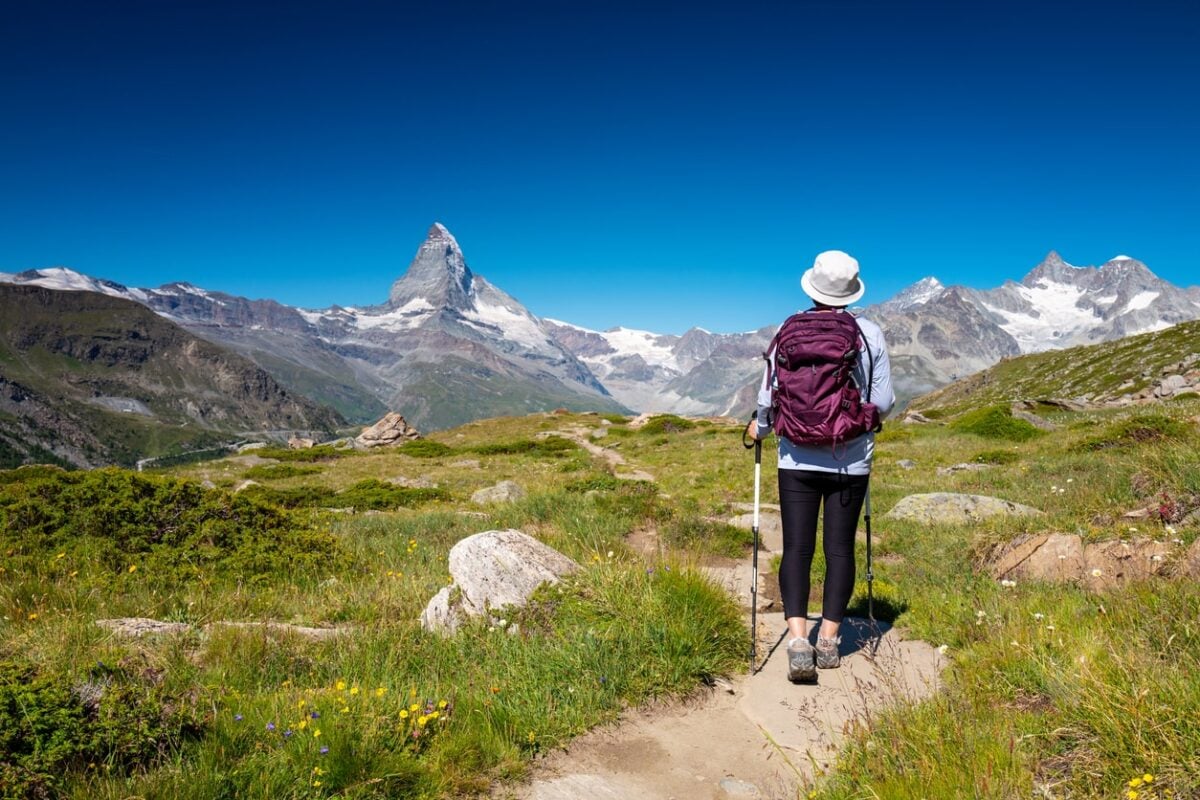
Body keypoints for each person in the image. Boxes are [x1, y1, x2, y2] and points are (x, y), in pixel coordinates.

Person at [745, 250, 895, 682]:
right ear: (852, 289)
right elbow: (883, 401)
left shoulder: (787, 329)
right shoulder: (868, 333)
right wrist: (861, 423)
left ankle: (797, 642)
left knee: (797, 548)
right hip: (850, 458)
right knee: (840, 550)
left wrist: (761, 427)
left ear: (811, 285)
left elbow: (768, 394)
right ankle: (829, 641)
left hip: (794, 458)